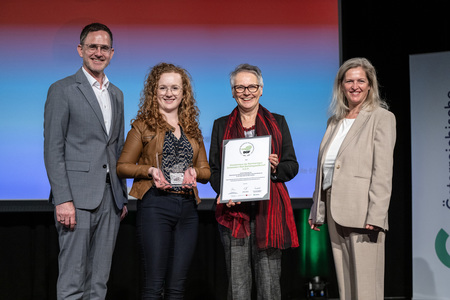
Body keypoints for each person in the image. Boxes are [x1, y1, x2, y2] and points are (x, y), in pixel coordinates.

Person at [44, 23, 128, 299]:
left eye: (104, 48)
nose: (98, 52)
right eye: (93, 46)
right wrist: (63, 199)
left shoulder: (116, 94)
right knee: (73, 281)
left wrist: (122, 197)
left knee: (99, 282)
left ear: (112, 53)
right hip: (76, 199)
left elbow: (116, 147)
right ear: (80, 49)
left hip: (110, 198)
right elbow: (53, 148)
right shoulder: (63, 89)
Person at [117, 63, 210, 299]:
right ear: (153, 92)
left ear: (183, 93)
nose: (169, 93)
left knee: (177, 287)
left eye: (175, 88)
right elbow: (122, 167)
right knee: (154, 284)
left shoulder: (193, 130)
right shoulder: (142, 126)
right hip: (156, 205)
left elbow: (206, 171)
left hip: (188, 209)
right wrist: (150, 170)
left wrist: (196, 174)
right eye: (163, 88)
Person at [309, 57, 396, 300]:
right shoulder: (334, 121)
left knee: (367, 290)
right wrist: (318, 208)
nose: (355, 86)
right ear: (341, 86)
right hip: (336, 213)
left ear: (370, 85)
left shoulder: (381, 117)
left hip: (364, 214)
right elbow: (326, 169)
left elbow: (383, 171)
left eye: (360, 80)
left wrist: (377, 214)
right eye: (349, 81)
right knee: (347, 290)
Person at [209, 63, 299, 300]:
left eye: (252, 86)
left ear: (261, 90)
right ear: (232, 91)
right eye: (240, 87)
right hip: (233, 215)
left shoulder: (278, 122)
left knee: (269, 285)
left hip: (268, 214)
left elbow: (292, 166)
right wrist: (225, 191)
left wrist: (275, 167)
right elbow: (215, 171)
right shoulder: (220, 125)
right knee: (238, 287)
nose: (246, 92)